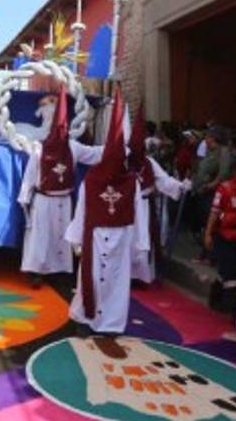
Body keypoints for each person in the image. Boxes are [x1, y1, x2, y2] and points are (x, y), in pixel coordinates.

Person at [65, 88, 147, 359]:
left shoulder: (131, 183)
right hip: (95, 235)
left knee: (116, 281)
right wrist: (77, 239)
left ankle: (111, 324)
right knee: (90, 279)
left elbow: (138, 213)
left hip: (121, 236)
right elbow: (82, 208)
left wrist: (139, 245)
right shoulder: (92, 180)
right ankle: (84, 319)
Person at [18, 88, 103, 285]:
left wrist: (117, 148)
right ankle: (37, 271)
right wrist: (25, 199)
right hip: (43, 200)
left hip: (64, 200)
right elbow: (30, 177)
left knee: (61, 235)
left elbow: (93, 154)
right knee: (41, 236)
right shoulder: (39, 149)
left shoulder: (73, 147)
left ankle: (59, 270)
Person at [128, 107, 190, 284]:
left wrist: (180, 186)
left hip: (145, 208)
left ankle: (142, 275)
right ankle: (127, 275)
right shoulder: (122, 162)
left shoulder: (149, 163)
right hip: (126, 210)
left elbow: (163, 180)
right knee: (128, 242)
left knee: (145, 240)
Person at [205, 158, 236, 316]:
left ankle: (215, 297)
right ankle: (233, 309)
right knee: (232, 275)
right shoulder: (224, 189)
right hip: (224, 237)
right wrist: (208, 233)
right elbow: (215, 211)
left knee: (226, 271)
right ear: (235, 174)